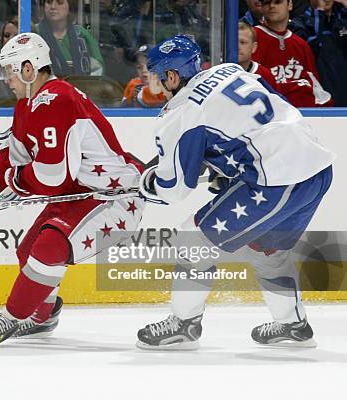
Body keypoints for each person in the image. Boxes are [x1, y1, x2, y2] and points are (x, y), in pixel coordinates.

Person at [136, 35, 334, 350]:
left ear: (172, 77)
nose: (152, 83)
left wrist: (144, 186)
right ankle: (292, 326)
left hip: (275, 179)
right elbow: (268, 110)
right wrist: (234, 169)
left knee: (192, 238)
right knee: (266, 250)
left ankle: (183, 325)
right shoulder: (227, 70)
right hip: (317, 167)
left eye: (155, 75)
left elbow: (174, 190)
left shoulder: (181, 114)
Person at [0, 33, 146, 346]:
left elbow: (52, 177)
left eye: (9, 70)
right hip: (82, 195)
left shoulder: (55, 99)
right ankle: (43, 315)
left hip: (114, 198)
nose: (6, 78)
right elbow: (14, 158)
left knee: (50, 248)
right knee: (28, 249)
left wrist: (7, 191)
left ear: (29, 69)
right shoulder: (27, 105)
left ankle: (14, 316)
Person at [252, 0, 332, 107]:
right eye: (267, 2)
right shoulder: (253, 37)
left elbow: (316, 89)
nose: (272, 6)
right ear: (262, 7)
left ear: (290, 5)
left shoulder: (301, 44)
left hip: (302, 116)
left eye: (278, 1)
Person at [291, 0, 347, 106]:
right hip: (320, 104)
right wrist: (319, 12)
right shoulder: (299, 24)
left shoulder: (343, 18)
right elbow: (312, 50)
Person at [33, 0, 104, 77]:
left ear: (70, 6)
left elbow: (98, 71)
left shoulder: (83, 35)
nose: (53, 6)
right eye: (49, 1)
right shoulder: (33, 33)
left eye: (59, 2)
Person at [238, 21, 278, 91]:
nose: (237, 46)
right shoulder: (215, 69)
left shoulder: (265, 75)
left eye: (243, 42)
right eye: (233, 41)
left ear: (254, 47)